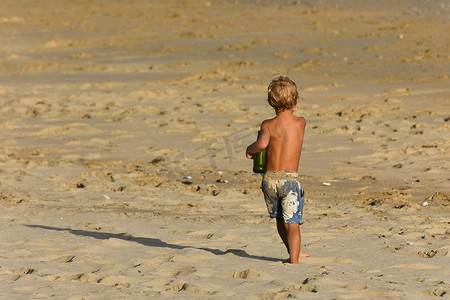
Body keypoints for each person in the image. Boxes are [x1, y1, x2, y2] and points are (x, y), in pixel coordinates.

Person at [246, 75, 309, 264]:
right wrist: (293, 106)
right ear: (296, 101)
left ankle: (293, 252)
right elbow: (293, 120)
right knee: (293, 223)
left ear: (270, 102)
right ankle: (294, 260)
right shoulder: (301, 122)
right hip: (289, 181)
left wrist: (250, 150)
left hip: (270, 180)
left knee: (280, 220)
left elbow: (261, 145)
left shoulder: (267, 125)